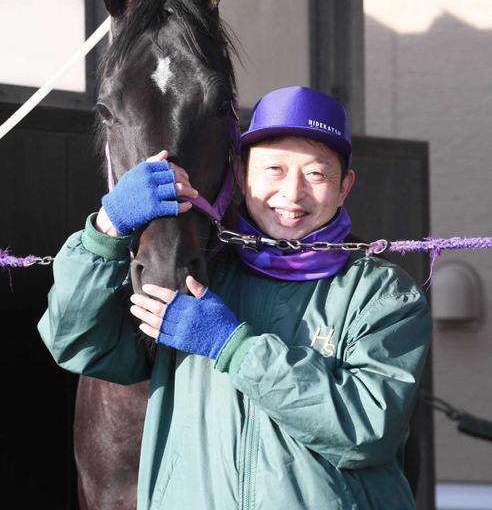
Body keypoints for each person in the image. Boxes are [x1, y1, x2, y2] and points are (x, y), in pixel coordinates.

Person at [38, 86, 431, 509]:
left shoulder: (382, 294)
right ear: (242, 176)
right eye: (274, 169)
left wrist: (234, 347)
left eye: (316, 174)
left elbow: (367, 429)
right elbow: (77, 344)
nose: (293, 192)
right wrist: (107, 229)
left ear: (344, 186)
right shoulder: (198, 275)